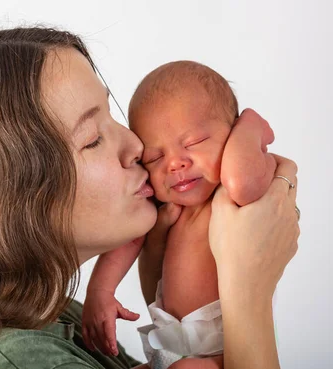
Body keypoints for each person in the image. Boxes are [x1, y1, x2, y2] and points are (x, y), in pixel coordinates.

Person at [0, 27, 300, 369]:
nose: (137, 145)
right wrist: (248, 291)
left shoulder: (52, 314)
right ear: (15, 197)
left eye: (113, 118)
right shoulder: (24, 361)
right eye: (94, 138)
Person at [82, 61, 288, 369]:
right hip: (171, 342)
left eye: (194, 143)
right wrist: (100, 291)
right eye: (155, 156)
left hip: (220, 350)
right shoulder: (167, 209)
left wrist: (250, 126)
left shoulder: (233, 196)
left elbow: (243, 183)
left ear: (233, 136)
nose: (175, 164)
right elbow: (130, 240)